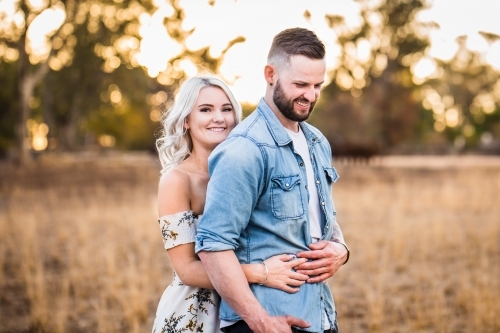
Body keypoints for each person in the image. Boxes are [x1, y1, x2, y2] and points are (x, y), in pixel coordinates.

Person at [196, 28, 349, 333]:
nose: (311, 95)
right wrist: (260, 320)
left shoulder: (318, 142)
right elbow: (213, 246)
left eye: (318, 85)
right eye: (301, 84)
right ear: (270, 74)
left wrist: (342, 251)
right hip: (265, 322)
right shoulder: (245, 149)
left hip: (320, 317)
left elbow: (323, 219)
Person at [152, 76, 310, 333]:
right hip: (198, 312)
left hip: (248, 305)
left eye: (226, 109)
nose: (219, 118)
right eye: (206, 110)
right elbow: (186, 270)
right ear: (186, 121)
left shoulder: (245, 169)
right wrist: (261, 273)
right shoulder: (177, 181)